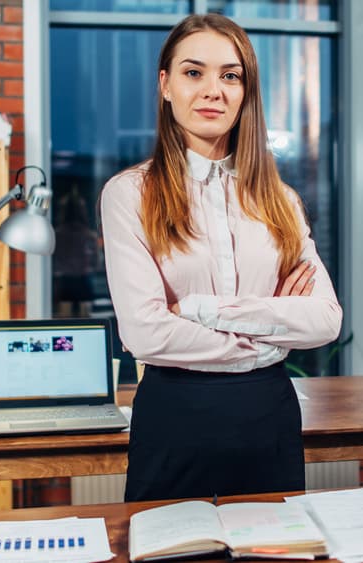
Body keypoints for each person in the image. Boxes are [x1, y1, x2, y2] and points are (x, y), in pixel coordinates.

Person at [100, 13, 343, 502]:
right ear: (165, 85)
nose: (213, 90)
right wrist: (270, 337)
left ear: (245, 93)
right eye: (194, 73)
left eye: (230, 75)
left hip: (268, 417)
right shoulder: (129, 195)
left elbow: (323, 320)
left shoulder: (282, 201)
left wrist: (195, 310)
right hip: (175, 418)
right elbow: (145, 332)